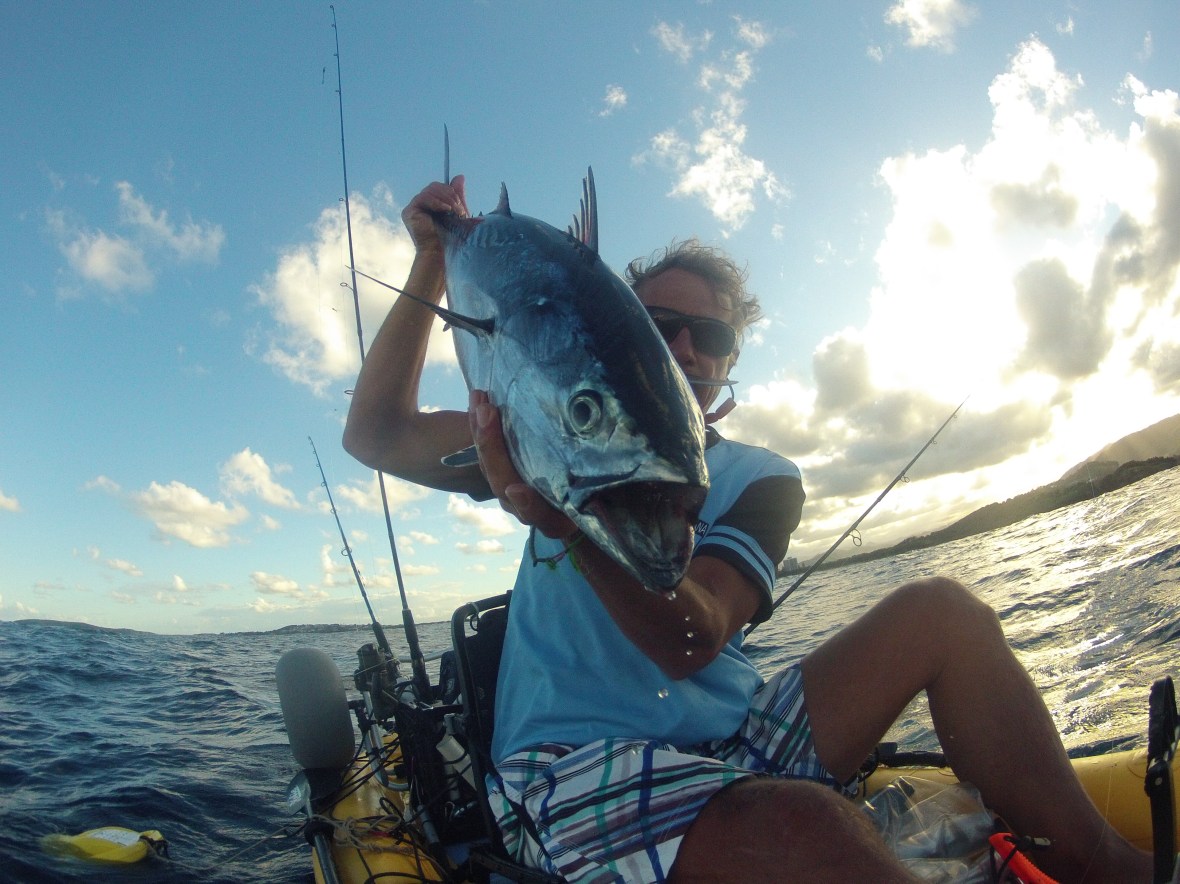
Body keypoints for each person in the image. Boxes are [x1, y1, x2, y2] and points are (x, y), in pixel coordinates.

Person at [343, 175, 1151, 883]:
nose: (688, 349)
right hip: (575, 762)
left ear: (731, 361)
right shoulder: (532, 433)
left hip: (736, 734)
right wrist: (434, 253)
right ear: (618, 327)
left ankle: (1107, 867)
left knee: (944, 612)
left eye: (715, 337)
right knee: (807, 823)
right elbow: (375, 433)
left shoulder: (763, 477)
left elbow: (695, 637)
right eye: (660, 325)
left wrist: (574, 528)